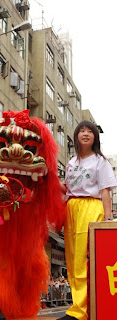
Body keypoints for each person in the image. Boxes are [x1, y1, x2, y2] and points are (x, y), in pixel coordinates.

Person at [58, 120, 117, 320]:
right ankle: (78, 305)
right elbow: (68, 189)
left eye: (89, 131)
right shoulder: (71, 163)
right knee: (73, 259)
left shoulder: (100, 162)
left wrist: (108, 220)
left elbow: (105, 191)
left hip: (91, 207)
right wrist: (48, 177)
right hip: (72, 208)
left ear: (95, 137)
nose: (85, 134)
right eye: (81, 131)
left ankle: (80, 311)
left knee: (83, 258)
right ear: (75, 136)